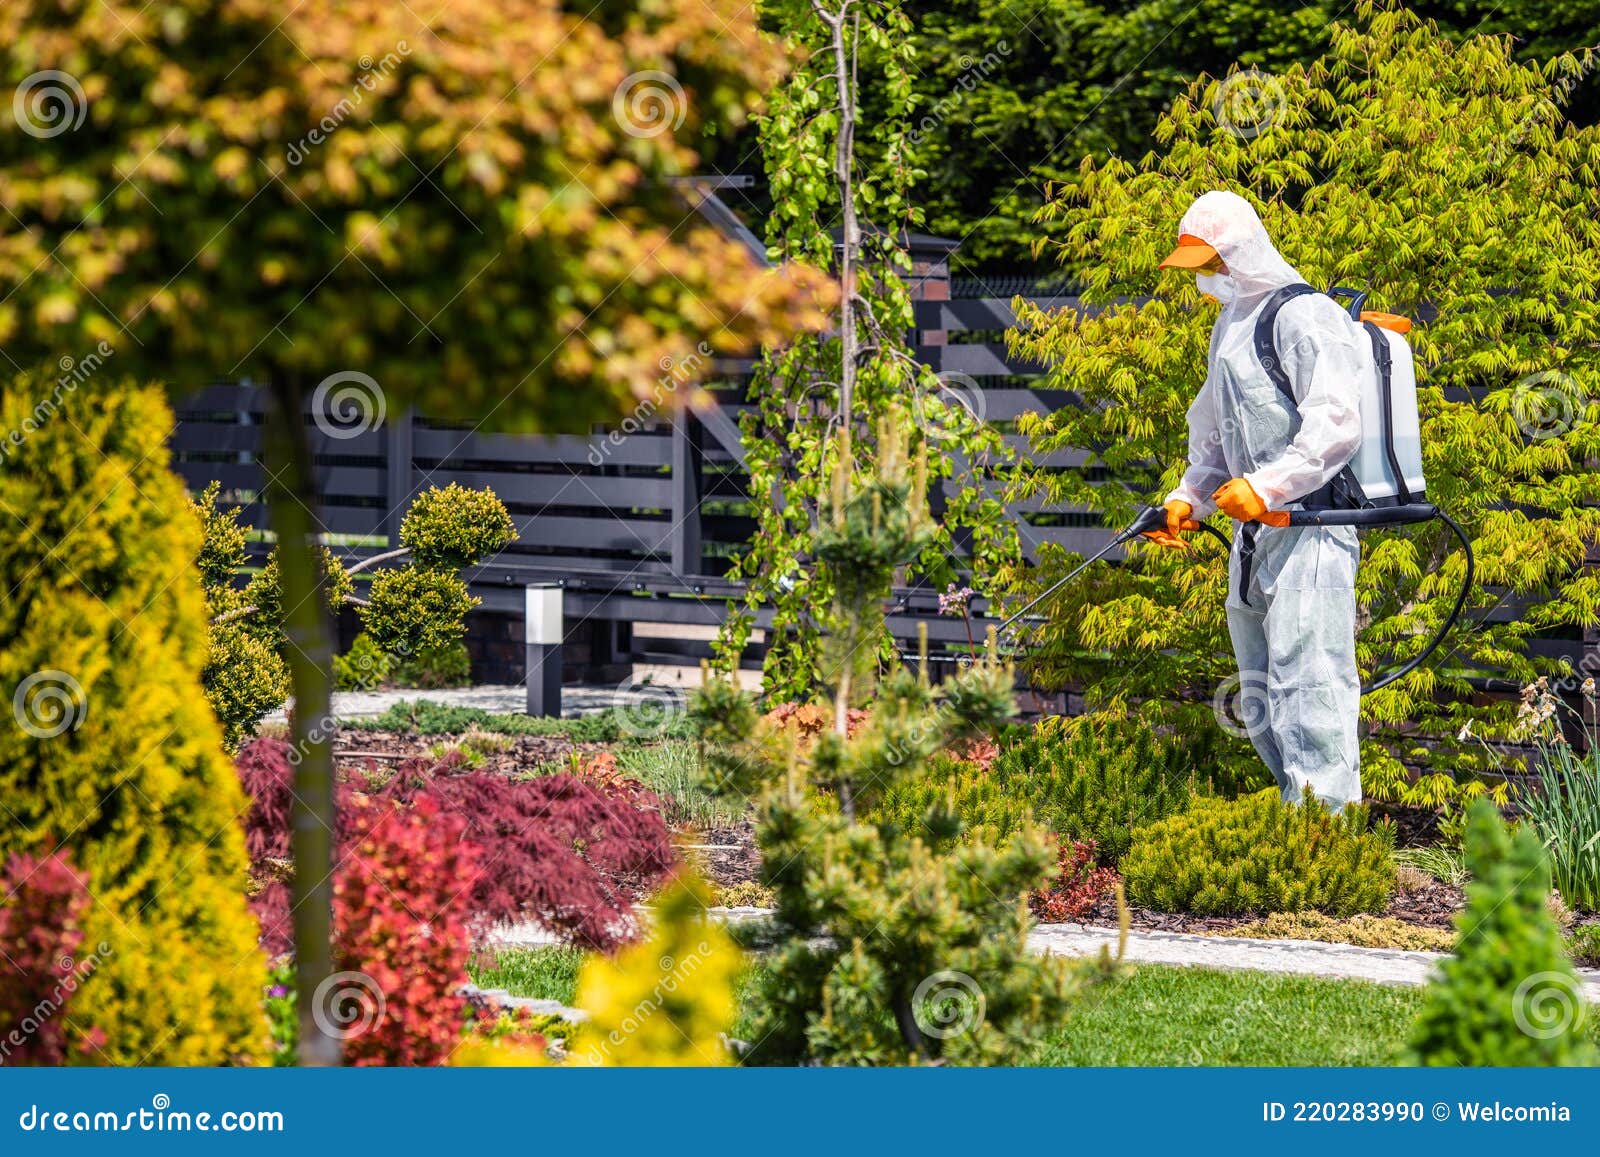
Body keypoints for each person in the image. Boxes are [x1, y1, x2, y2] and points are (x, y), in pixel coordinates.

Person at [1147, 190, 1367, 810]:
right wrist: (1190, 498)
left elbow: (1337, 424)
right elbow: (1216, 431)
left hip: (1311, 524)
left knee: (1310, 683)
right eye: (1199, 266)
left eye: (1212, 262)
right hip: (1255, 531)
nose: (1206, 277)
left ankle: (1332, 839)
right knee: (1262, 687)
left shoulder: (1305, 316)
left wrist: (1268, 486)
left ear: (1241, 253)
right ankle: (1297, 822)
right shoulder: (1232, 324)